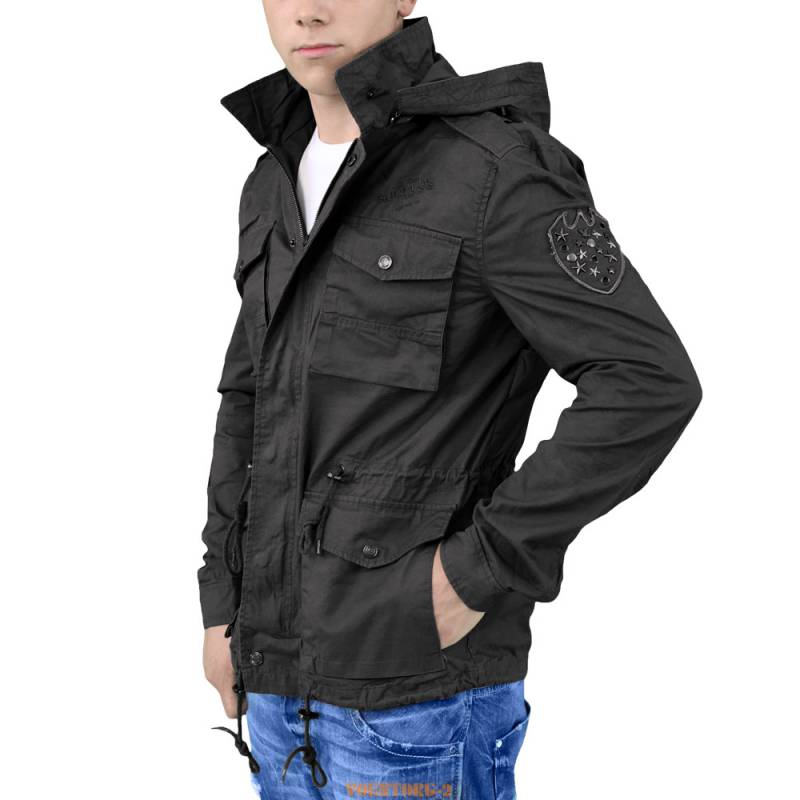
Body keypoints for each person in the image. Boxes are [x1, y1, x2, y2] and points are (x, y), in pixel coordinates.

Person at [198, 3, 703, 797]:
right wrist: (221, 601)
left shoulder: (495, 169)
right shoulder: (273, 179)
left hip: (417, 702)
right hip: (272, 688)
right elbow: (249, 398)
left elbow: (646, 380)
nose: (307, 9)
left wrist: (478, 569)